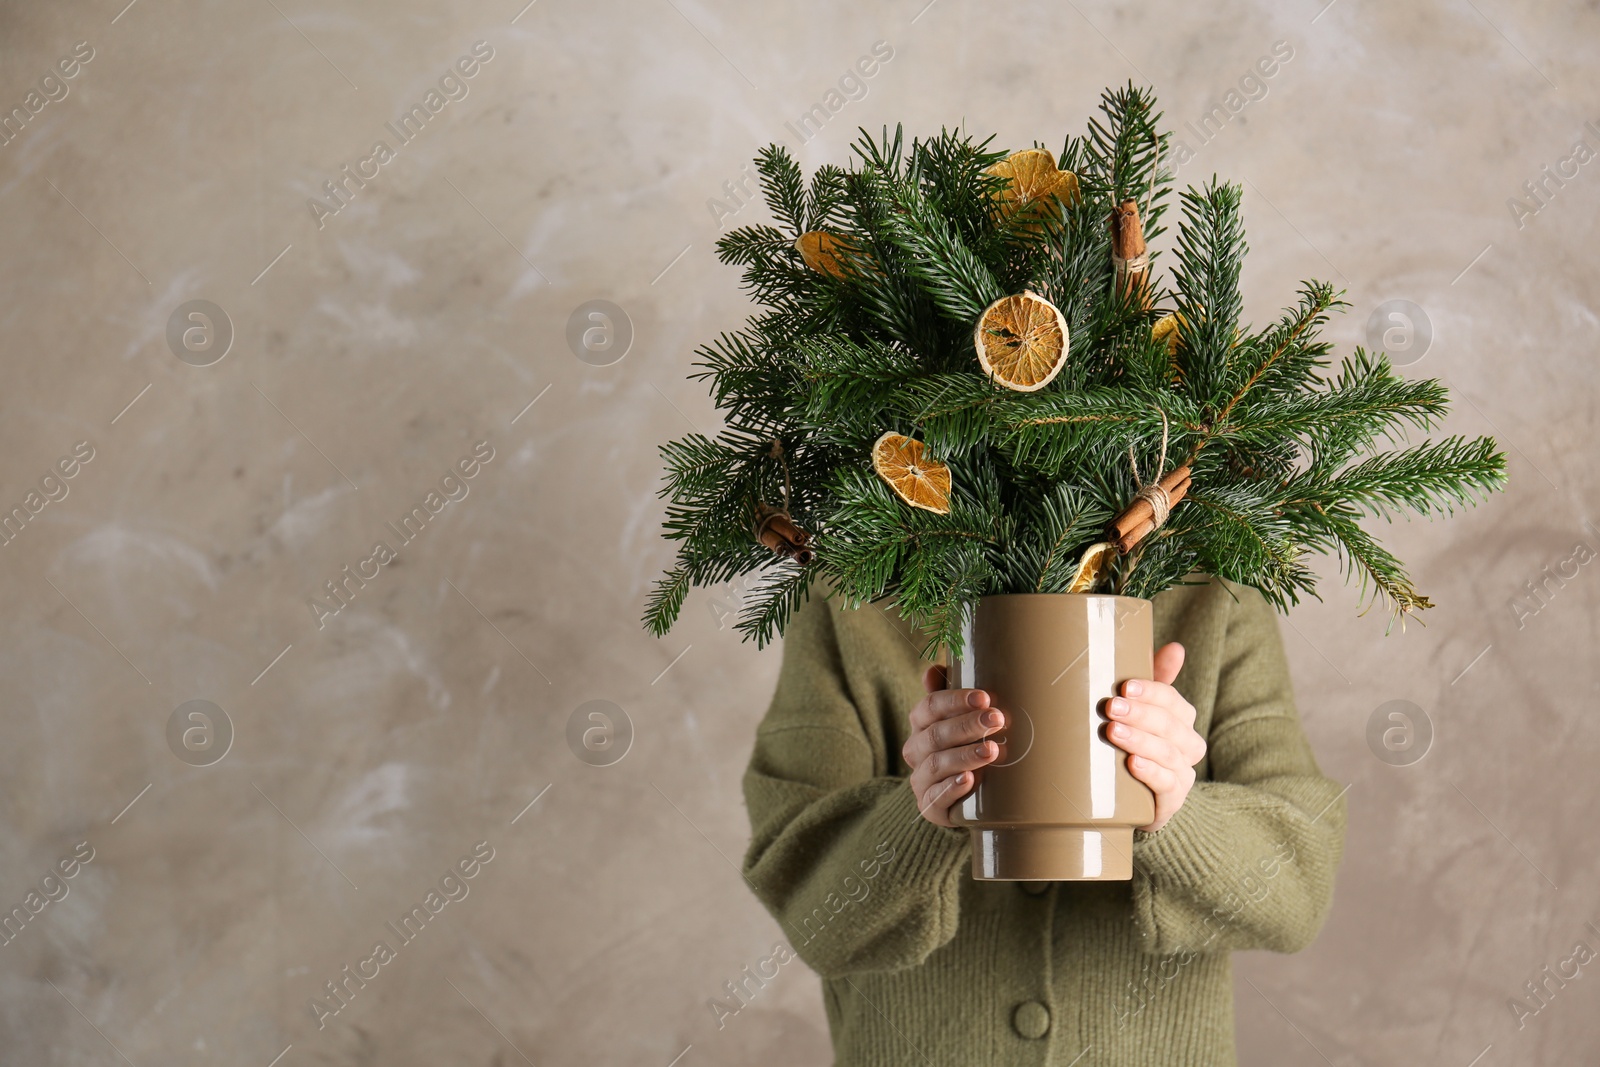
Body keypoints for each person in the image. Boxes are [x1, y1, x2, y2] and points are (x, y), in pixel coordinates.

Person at [740, 575, 1346, 1065]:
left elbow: (1298, 891)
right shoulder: (849, 594)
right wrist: (923, 809)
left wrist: (1172, 804)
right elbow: (813, 914)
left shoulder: (1217, 589)